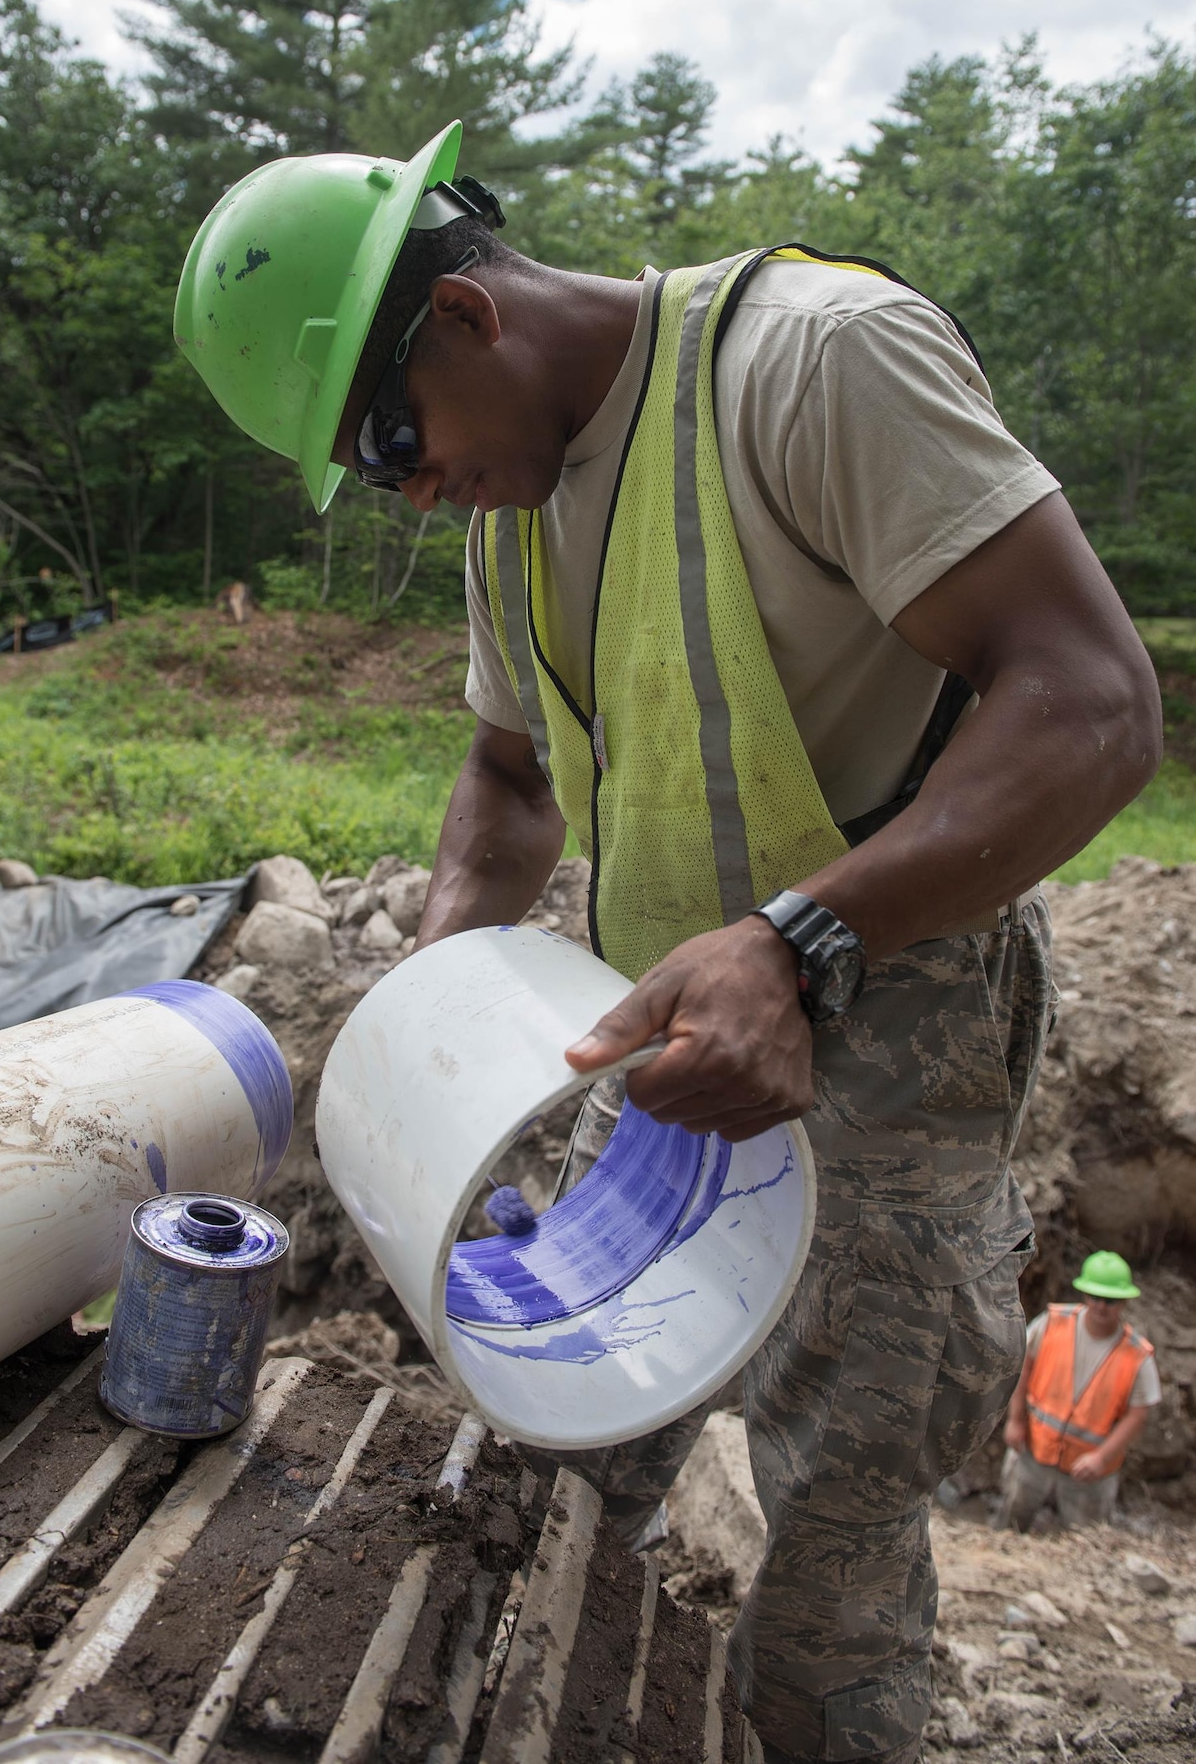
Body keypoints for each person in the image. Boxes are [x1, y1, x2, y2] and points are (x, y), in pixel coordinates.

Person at [175, 125, 1161, 1764]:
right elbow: (504, 777)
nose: (411, 492)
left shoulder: (813, 367)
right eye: (373, 474)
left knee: (833, 1528)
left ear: (469, 318)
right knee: (569, 1414)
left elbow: (1094, 700)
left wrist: (795, 946)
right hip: (664, 1017)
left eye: (395, 435)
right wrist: (434, 995)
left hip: (892, 1005)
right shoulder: (511, 500)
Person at [999, 1250, 1159, 1530]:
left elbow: (1139, 1414)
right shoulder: (1052, 1323)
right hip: (1033, 1451)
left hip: (1089, 1471)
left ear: (1123, 1302)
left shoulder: (1137, 1355)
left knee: (1083, 1534)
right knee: (1011, 1520)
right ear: (1084, 1294)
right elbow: (1022, 1367)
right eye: (1095, 1297)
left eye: (1109, 1300)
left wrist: (1102, 1457)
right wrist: (1014, 1420)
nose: (1101, 1306)